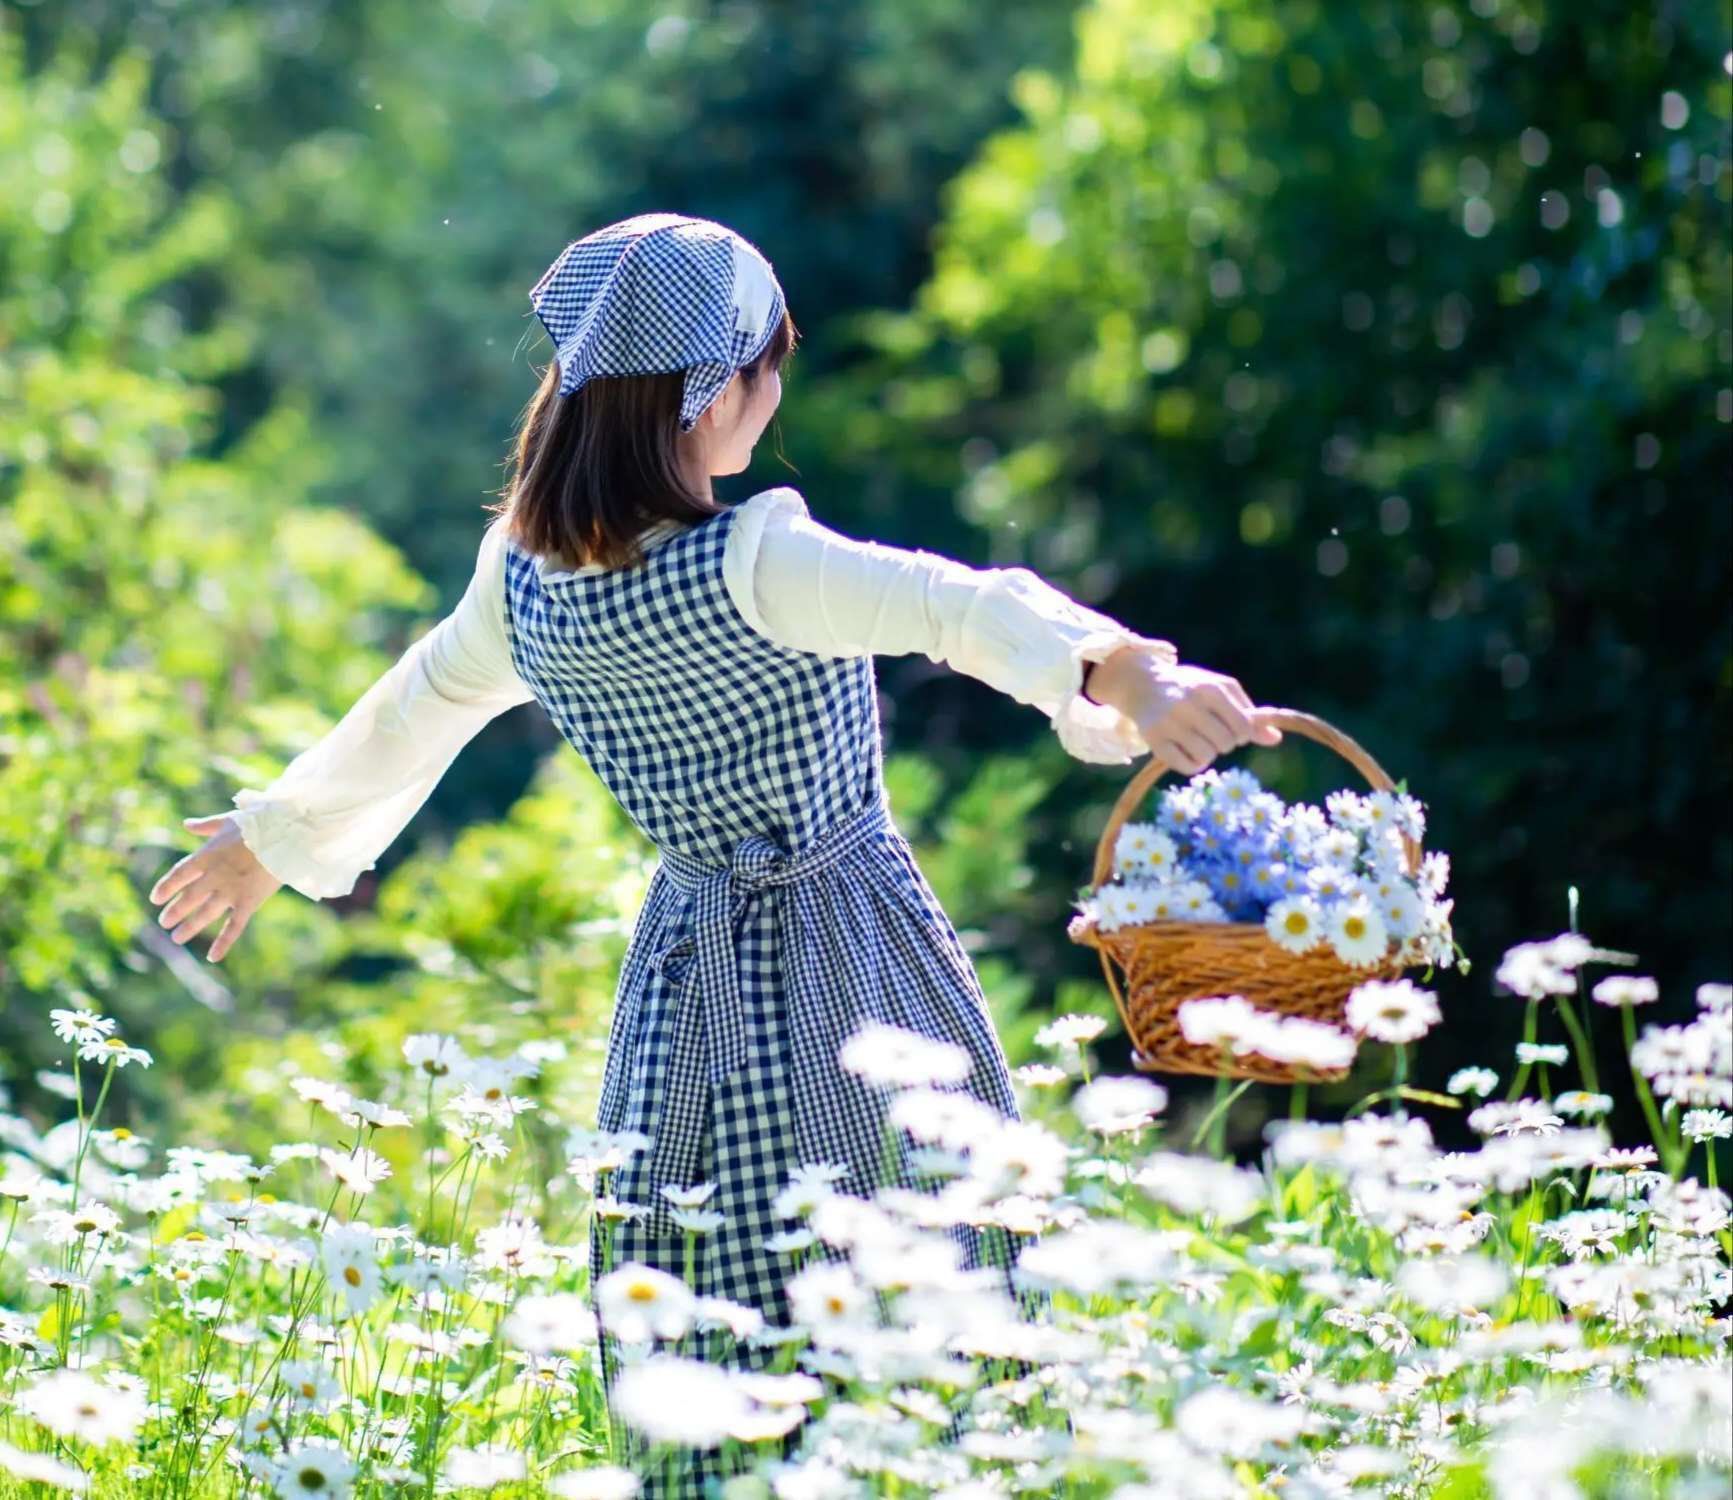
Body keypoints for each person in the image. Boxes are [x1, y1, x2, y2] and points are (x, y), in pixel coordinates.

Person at [148, 212, 1282, 1494]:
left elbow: (414, 709)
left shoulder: (523, 587)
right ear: (708, 400)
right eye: (767, 366)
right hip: (859, 968)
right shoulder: (759, 562)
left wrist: (270, 841)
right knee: (921, 1289)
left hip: (681, 993)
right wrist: (1123, 672)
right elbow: (955, 606)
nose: (775, 391)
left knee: (710, 1311)